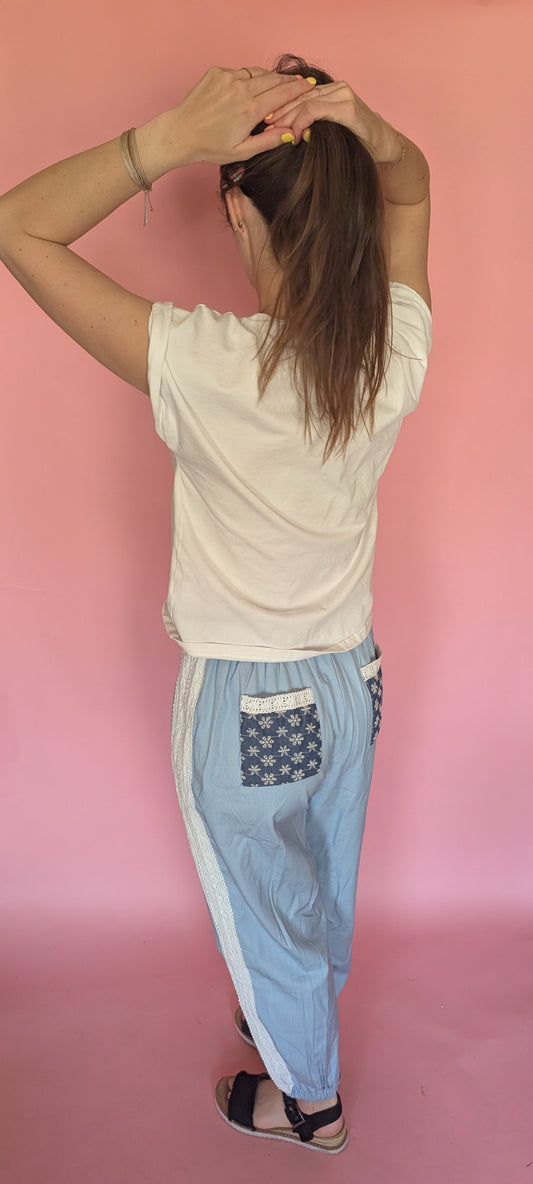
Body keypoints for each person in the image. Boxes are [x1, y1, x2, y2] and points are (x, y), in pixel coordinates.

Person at [0, 55, 431, 1154]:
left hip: (244, 699)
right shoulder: (389, 353)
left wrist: (161, 142)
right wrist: (375, 135)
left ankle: (309, 1100)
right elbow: (412, 192)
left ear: (238, 214)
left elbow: (17, 228)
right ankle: (299, 998)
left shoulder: (204, 366)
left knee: (254, 896)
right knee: (321, 873)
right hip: (351, 680)